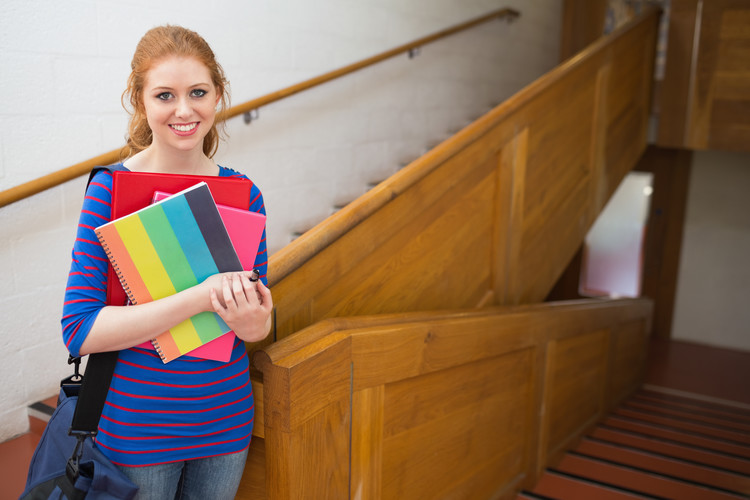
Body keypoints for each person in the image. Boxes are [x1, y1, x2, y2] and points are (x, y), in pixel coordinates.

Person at [61, 25, 272, 499]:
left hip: (225, 420)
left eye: (198, 92)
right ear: (140, 101)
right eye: (164, 95)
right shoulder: (110, 190)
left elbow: (255, 326)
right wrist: (200, 296)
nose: (184, 110)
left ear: (218, 96)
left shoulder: (244, 194)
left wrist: (257, 321)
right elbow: (80, 329)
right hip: (137, 427)